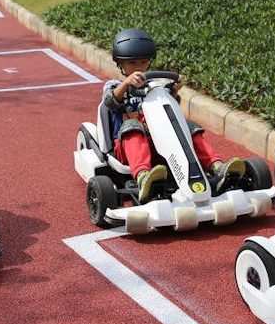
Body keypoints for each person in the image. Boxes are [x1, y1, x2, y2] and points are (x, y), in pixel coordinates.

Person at [104, 28, 246, 203]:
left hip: (162, 143)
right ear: (120, 63)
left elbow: (168, 109)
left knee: (188, 126)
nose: (138, 67)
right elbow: (110, 101)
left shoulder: (155, 85)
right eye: (132, 63)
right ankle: (143, 177)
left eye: (143, 62)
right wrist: (126, 83)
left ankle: (217, 166)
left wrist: (173, 90)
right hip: (128, 147)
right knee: (133, 126)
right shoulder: (114, 85)